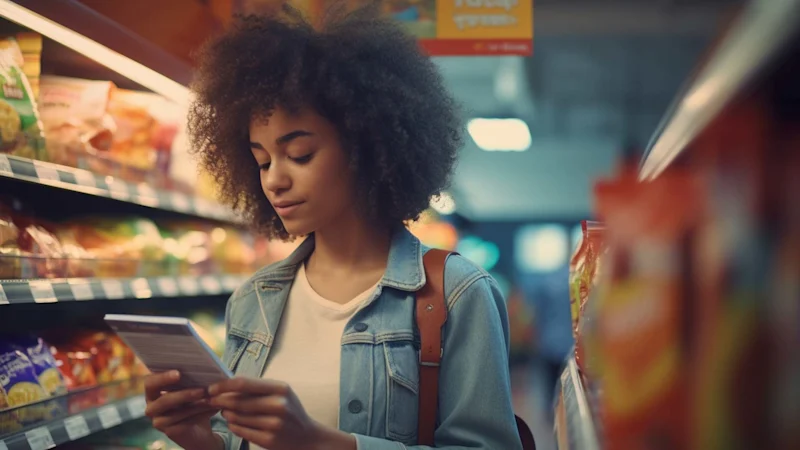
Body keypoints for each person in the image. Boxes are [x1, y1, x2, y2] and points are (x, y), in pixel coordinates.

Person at [143, 4, 523, 450]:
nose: (274, 179)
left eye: (300, 154)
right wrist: (199, 439)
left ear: (366, 146)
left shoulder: (456, 294)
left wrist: (318, 442)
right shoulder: (253, 301)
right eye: (261, 160)